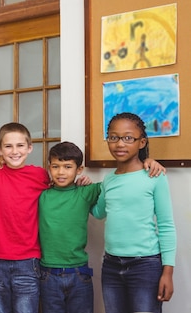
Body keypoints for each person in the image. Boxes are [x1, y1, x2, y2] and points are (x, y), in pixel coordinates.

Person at [91, 112, 176, 313]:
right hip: (111, 265)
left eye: (128, 138)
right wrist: (77, 188)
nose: (120, 144)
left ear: (141, 142)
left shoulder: (154, 176)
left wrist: (168, 272)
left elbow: (166, 226)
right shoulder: (108, 180)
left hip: (145, 266)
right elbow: (98, 212)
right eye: (114, 137)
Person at [38, 141, 101, 313]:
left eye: (67, 167)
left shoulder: (85, 192)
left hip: (78, 272)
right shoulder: (41, 194)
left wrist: (148, 161)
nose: (61, 172)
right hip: (47, 273)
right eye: (55, 166)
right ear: (49, 167)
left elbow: (115, 184)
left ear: (79, 170)